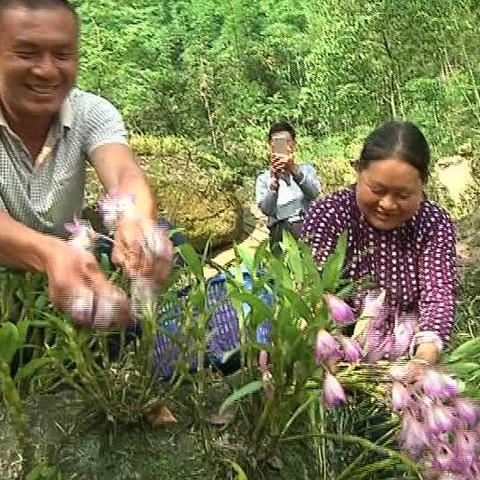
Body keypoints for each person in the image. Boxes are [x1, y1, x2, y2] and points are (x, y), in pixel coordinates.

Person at [0, 0, 173, 329]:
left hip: (69, 279)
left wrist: (134, 220)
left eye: (62, 55)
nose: (47, 70)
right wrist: (50, 253)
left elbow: (124, 173)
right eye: (27, 53)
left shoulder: (90, 112)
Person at [302, 120, 457, 380]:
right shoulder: (329, 214)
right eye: (377, 190)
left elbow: (438, 295)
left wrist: (422, 361)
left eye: (403, 195)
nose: (387, 204)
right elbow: (314, 291)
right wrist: (329, 359)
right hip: (339, 350)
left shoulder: (433, 223)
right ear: (357, 171)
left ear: (423, 184)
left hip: (407, 347)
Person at [255, 121, 321, 253]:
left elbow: (314, 194)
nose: (283, 146)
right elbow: (267, 210)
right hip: (280, 234)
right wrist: (274, 183)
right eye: (278, 142)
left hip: (307, 229)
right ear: (270, 145)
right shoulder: (264, 178)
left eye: (287, 141)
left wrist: (294, 171)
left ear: (294, 144)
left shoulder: (306, 169)